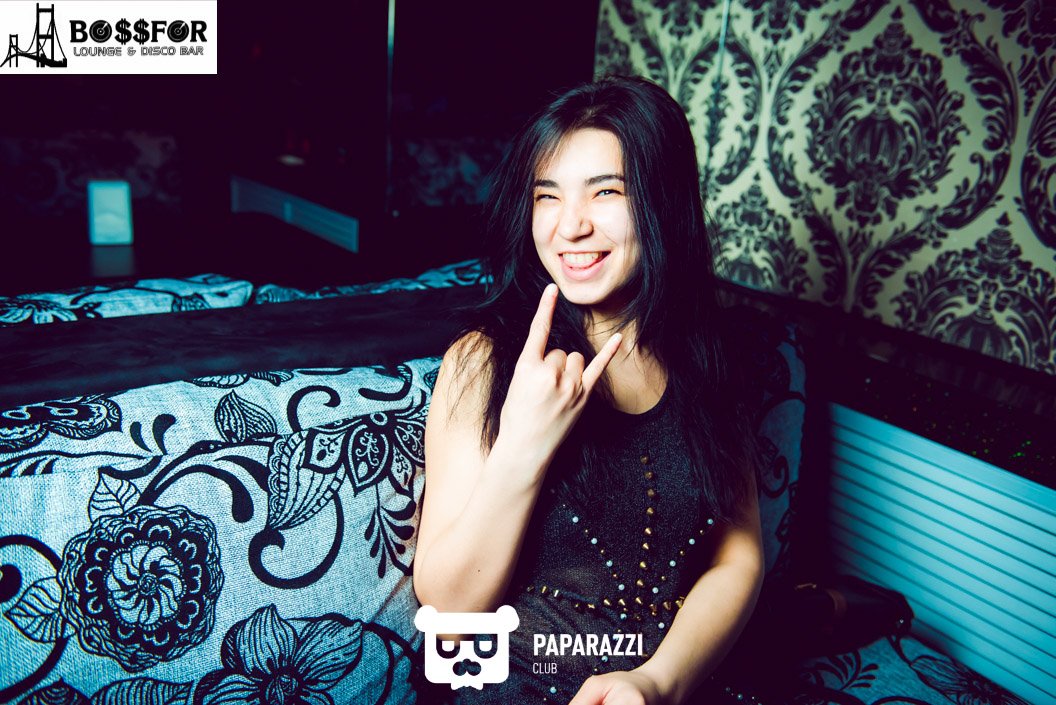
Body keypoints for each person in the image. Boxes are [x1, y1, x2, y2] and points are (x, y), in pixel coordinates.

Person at [413, 75, 764, 705]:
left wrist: (657, 681)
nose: (569, 227)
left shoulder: (703, 357)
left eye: (606, 191)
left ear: (662, 203)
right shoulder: (484, 360)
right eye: (547, 196)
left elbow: (736, 558)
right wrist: (524, 445)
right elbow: (448, 611)